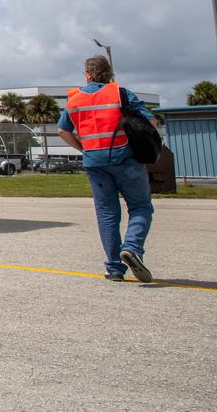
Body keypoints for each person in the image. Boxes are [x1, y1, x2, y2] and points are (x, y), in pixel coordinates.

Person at [57, 54, 156, 283]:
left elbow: (62, 131)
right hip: (126, 158)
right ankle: (132, 248)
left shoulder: (75, 100)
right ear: (109, 74)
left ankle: (114, 268)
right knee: (141, 206)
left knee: (107, 214)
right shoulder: (120, 93)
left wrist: (83, 148)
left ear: (87, 74)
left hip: (94, 162)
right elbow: (150, 122)